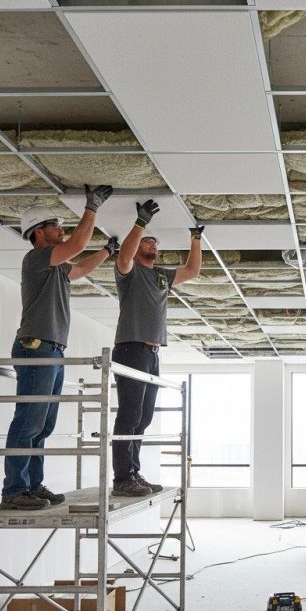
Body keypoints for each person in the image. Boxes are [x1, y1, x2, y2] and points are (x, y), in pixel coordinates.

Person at [1, 185, 116, 510]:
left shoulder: (55, 267)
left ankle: (32, 485)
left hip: (52, 349)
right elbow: (77, 244)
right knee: (28, 421)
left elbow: (79, 269)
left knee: (43, 424)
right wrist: (92, 206)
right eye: (55, 225)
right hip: (36, 347)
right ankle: (13, 491)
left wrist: (107, 250)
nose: (61, 229)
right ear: (38, 233)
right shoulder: (36, 258)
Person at [111, 199, 203, 497]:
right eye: (147, 241)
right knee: (129, 414)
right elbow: (124, 255)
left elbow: (192, 270)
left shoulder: (161, 274)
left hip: (151, 352)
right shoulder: (129, 272)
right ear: (138, 248)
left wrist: (196, 238)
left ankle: (133, 472)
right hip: (131, 348)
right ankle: (122, 478)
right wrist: (140, 223)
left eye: (155, 242)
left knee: (144, 416)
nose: (154, 244)